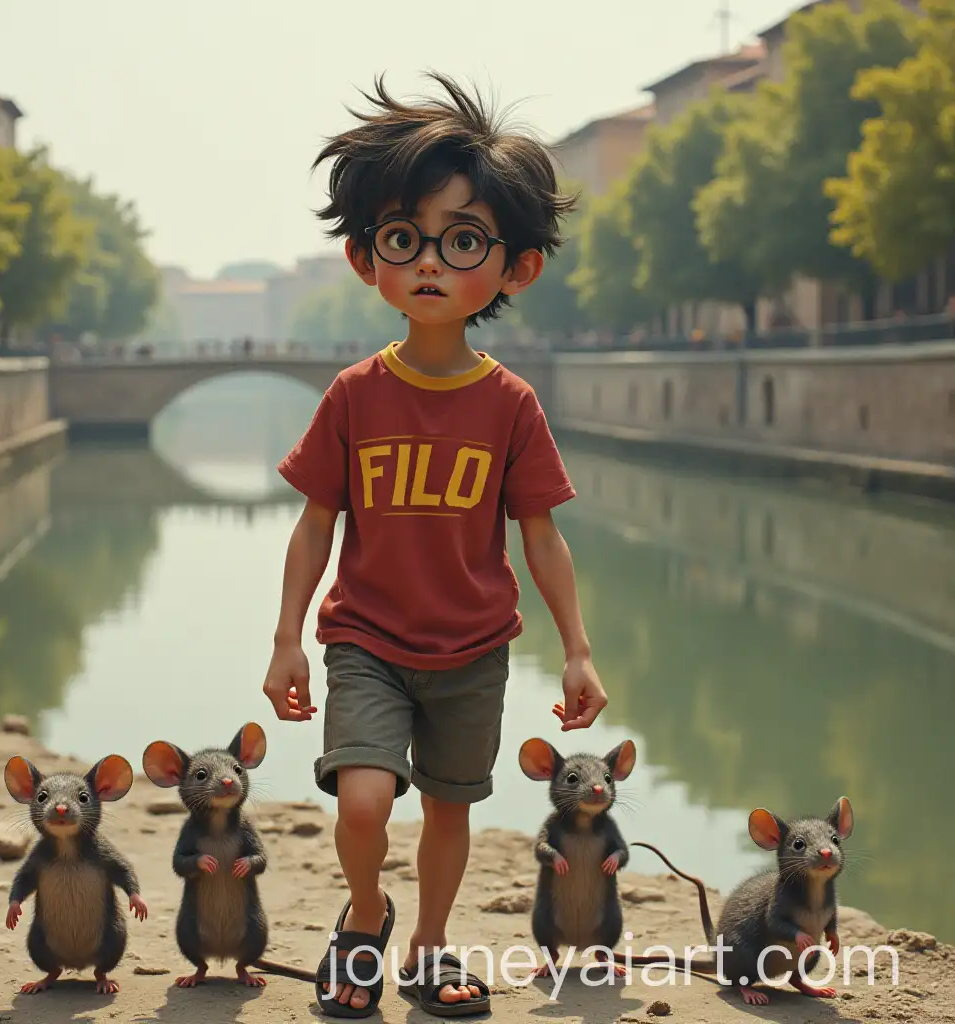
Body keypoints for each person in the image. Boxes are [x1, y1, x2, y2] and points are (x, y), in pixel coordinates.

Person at [262, 71, 608, 1018]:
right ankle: (365, 921)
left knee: (449, 808)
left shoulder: (510, 406)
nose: (428, 263)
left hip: (473, 648)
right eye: (401, 239)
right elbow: (315, 525)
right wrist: (289, 637)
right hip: (365, 640)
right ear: (363, 256)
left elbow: (541, 537)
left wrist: (576, 648)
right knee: (366, 800)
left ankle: (429, 945)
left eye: (462, 242)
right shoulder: (351, 393)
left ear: (514, 269)